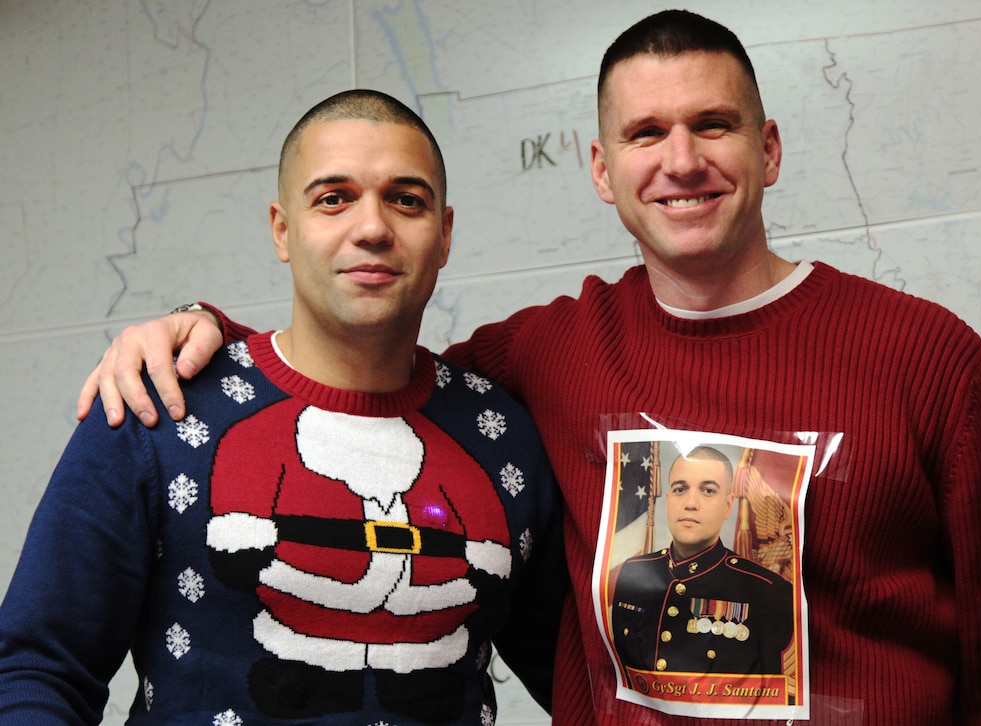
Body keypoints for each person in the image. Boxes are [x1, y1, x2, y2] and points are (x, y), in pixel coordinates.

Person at [73, 9, 981, 725]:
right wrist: (195, 332)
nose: (679, 160)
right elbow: (359, 367)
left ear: (768, 148)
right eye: (644, 134)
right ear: (602, 170)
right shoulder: (548, 356)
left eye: (712, 126)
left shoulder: (922, 357)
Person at [0, 89, 565, 725]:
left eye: (407, 200)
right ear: (282, 230)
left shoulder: (502, 436)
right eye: (333, 199)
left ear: (444, 235)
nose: (373, 227)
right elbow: (37, 669)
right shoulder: (160, 409)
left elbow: (580, 679)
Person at [610, 446, 793, 680]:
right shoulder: (633, 572)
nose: (690, 503)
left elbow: (772, 697)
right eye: (680, 489)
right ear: (667, 500)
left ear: (728, 505)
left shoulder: (767, 590)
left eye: (708, 490)